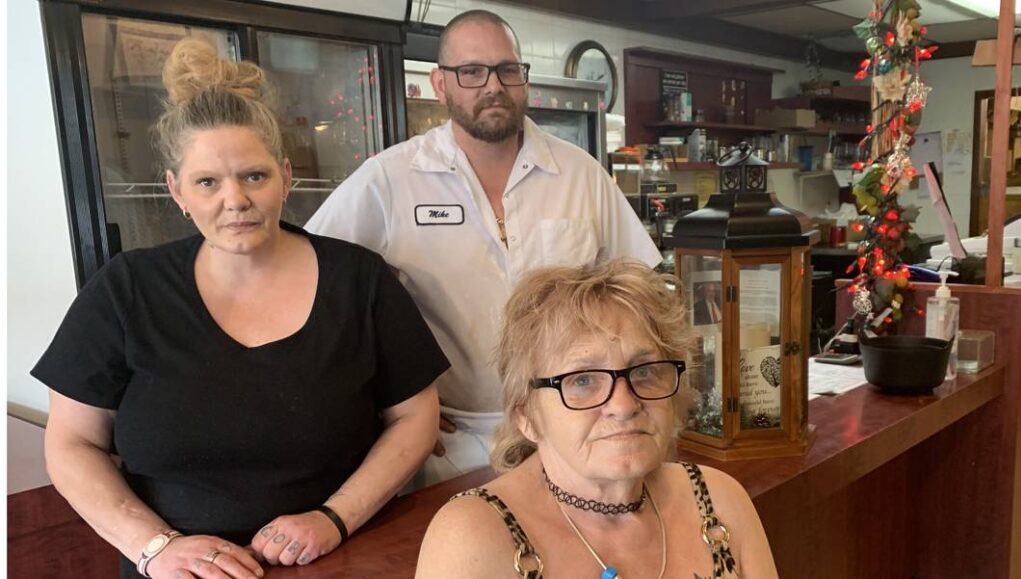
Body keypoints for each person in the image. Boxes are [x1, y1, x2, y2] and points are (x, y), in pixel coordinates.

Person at [34, 39, 448, 579]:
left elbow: (416, 417)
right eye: (208, 182)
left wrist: (333, 518)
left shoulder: (359, 280)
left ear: (286, 176)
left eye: (254, 176)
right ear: (177, 190)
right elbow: (71, 442)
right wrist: (155, 547)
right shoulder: (125, 290)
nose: (235, 200)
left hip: (340, 558)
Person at [305, 10, 662, 485]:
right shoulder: (391, 179)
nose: (492, 85)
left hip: (572, 430)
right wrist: (382, 399)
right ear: (440, 83)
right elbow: (313, 282)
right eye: (471, 72)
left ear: (523, 80)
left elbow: (641, 296)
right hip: (450, 444)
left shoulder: (581, 175)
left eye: (507, 70)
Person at [416, 260, 778, 579]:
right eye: (583, 380)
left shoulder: (718, 501)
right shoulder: (473, 537)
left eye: (645, 371)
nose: (623, 405)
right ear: (526, 416)